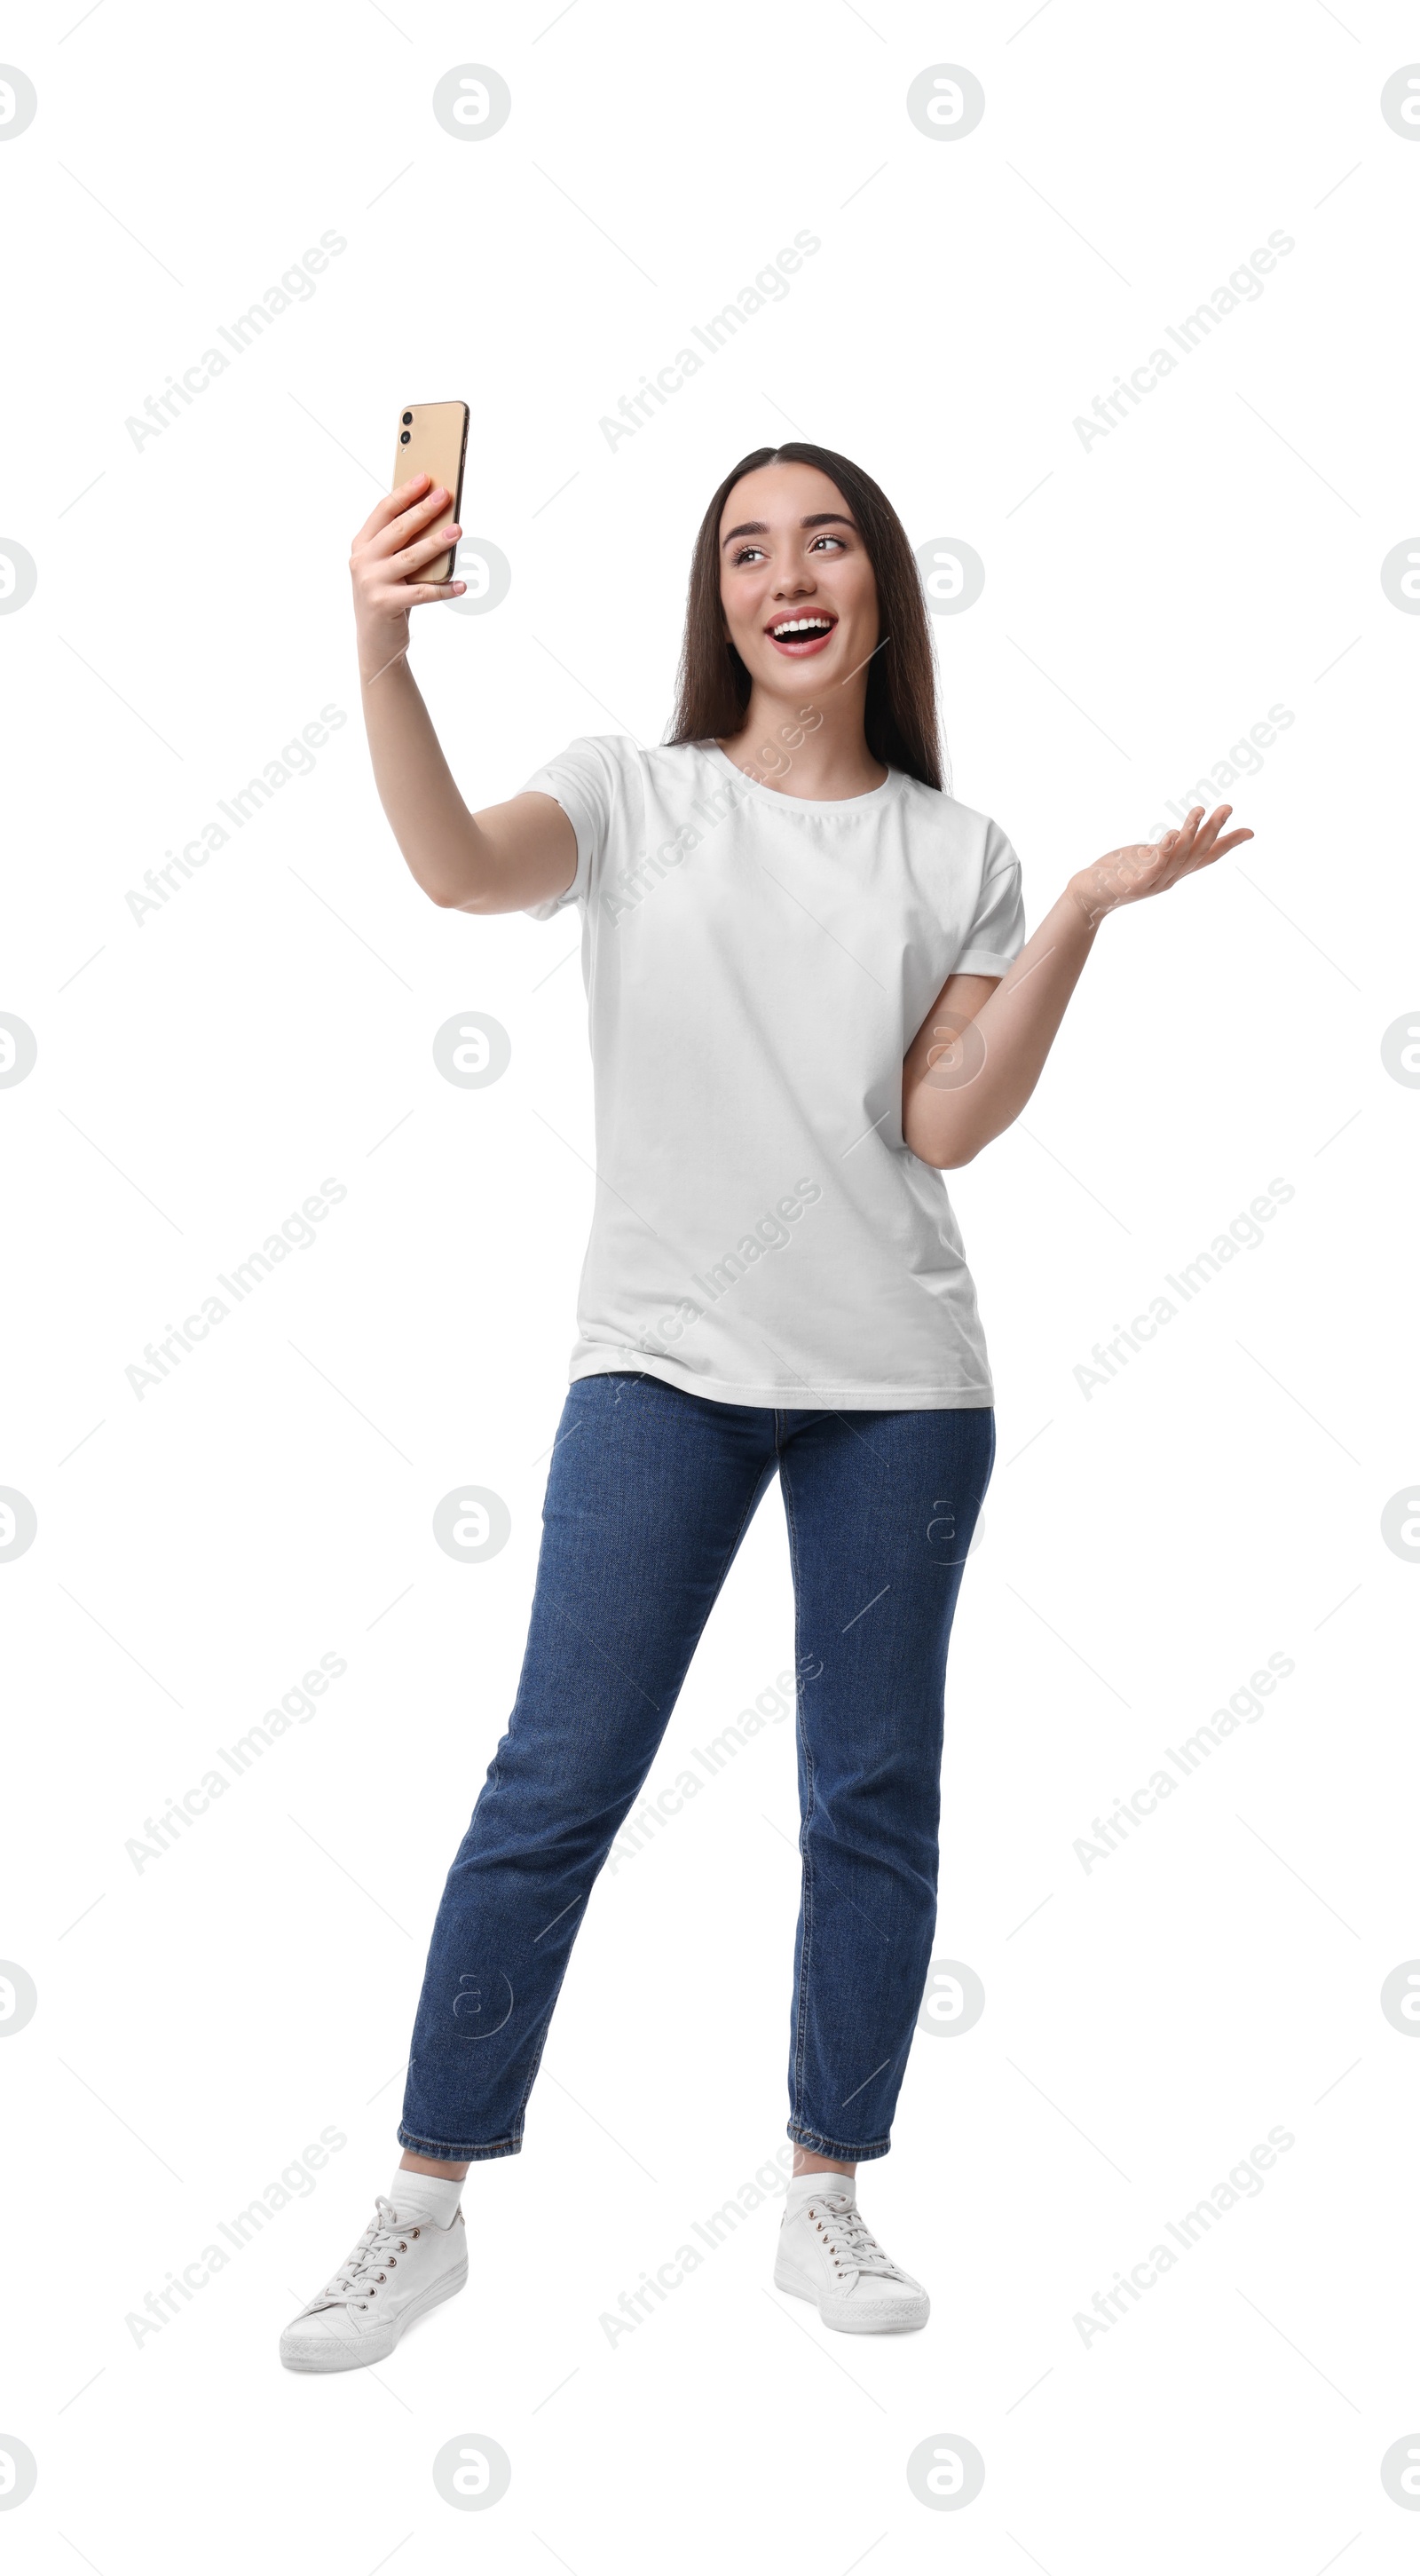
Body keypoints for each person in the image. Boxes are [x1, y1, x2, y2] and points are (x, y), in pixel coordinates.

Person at [278, 441, 1250, 2371]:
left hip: (896, 1383)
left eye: (822, 541)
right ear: (713, 600)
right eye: (744, 549)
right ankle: (423, 2192)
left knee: (868, 1794)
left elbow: (940, 1121)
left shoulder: (946, 849)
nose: (784, 573)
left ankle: (825, 2187)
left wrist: (1071, 913)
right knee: (555, 1774)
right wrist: (381, 651)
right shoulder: (628, 798)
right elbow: (462, 869)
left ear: (877, 584)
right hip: (660, 1362)